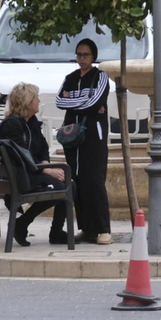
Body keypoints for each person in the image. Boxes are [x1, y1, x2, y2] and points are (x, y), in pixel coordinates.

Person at [0, 83, 70, 246]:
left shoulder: (31, 121)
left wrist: (45, 164)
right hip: (16, 176)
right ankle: (23, 224)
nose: (39, 101)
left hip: (28, 172)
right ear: (28, 102)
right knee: (64, 187)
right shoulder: (12, 124)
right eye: (36, 98)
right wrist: (47, 170)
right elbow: (21, 155)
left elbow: (42, 146)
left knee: (68, 184)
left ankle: (52, 231)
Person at [56, 38, 112, 245]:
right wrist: (86, 103)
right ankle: (86, 229)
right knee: (76, 180)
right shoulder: (70, 78)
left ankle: (103, 229)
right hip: (72, 136)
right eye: (79, 54)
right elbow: (60, 101)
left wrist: (76, 103)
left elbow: (97, 100)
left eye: (86, 55)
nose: (81, 58)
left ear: (93, 56)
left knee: (94, 180)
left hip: (93, 136)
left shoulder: (101, 77)